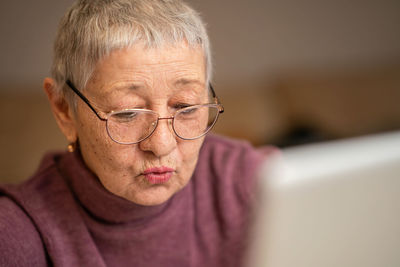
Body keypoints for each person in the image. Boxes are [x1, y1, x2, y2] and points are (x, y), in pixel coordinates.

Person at [0, 0, 272, 266]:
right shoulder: (17, 230)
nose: (162, 145)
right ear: (64, 110)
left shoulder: (252, 180)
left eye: (185, 106)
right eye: (128, 112)